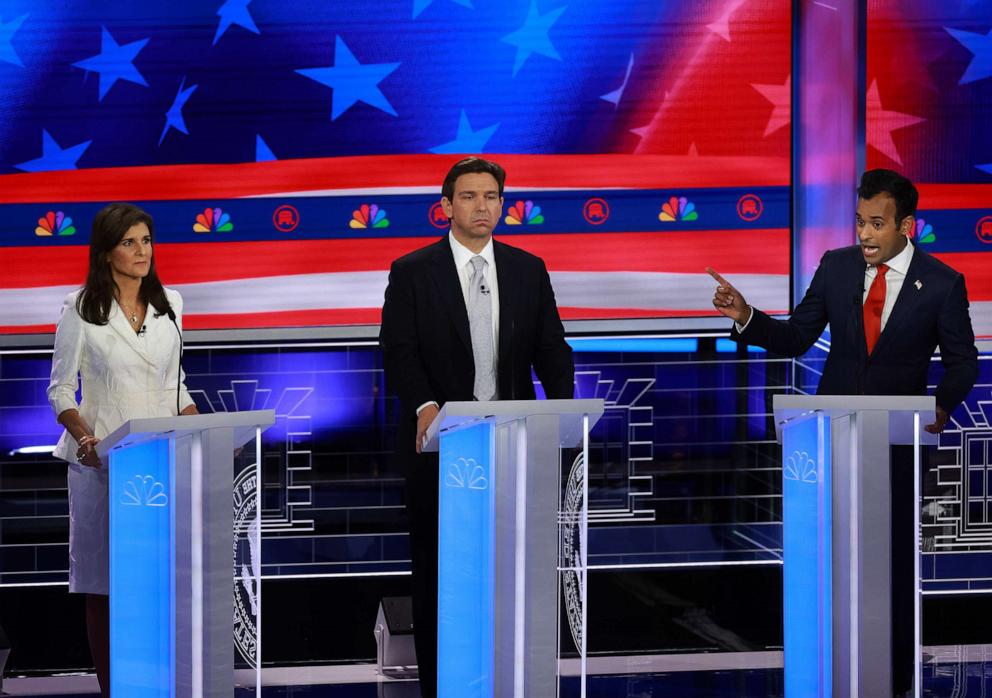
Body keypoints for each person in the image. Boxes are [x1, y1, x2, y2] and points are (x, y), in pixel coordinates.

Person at [708, 168, 979, 696]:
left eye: (876, 224)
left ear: (907, 225)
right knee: (830, 558)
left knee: (895, 564)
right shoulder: (835, 268)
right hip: (831, 441)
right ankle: (829, 668)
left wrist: (942, 406)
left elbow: (963, 362)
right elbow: (794, 338)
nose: (864, 234)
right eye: (859, 222)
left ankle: (895, 677)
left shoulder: (943, 282)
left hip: (899, 446)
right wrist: (745, 314)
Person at [379, 157, 575, 698]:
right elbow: (399, 351)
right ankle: (442, 685)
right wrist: (423, 405)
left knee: (513, 568)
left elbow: (552, 350)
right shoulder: (413, 270)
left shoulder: (527, 268)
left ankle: (514, 678)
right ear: (445, 206)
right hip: (439, 446)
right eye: (469, 196)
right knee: (441, 571)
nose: (481, 206)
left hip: (513, 445)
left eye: (491, 196)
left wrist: (561, 413)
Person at [47, 203, 197, 697]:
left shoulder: (170, 303)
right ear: (106, 251)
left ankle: (157, 683)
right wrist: (84, 434)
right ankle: (114, 687)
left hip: (159, 461)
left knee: (157, 581)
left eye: (147, 241)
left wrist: (203, 427)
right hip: (102, 462)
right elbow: (60, 390)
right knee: (105, 583)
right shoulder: (80, 307)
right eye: (129, 242)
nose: (141, 252)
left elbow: (176, 386)